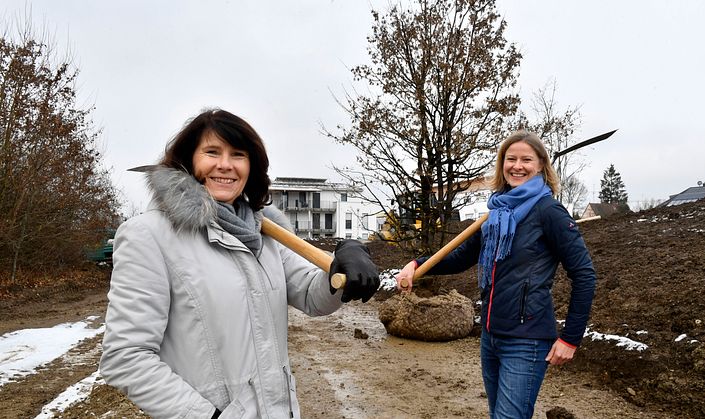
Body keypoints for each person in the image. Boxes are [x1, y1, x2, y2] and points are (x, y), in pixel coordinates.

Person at [100, 109, 380, 419]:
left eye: (238, 154)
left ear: (251, 166)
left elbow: (313, 297)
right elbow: (126, 357)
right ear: (189, 160)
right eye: (211, 152)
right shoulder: (150, 236)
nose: (225, 165)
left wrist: (343, 264)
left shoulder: (266, 233)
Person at [395, 130, 596, 419]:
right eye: (510, 159)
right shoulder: (496, 212)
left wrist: (571, 339)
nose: (517, 166)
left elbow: (585, 274)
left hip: (526, 340)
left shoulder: (549, 212)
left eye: (526, 159)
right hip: (491, 336)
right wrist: (418, 264)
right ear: (502, 164)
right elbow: (462, 257)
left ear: (541, 165)